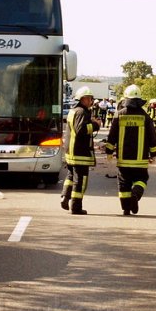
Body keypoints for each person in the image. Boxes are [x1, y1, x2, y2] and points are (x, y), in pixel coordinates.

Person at [105, 84, 156, 216]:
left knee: (124, 183)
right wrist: (153, 154)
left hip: (123, 159)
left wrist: (109, 152)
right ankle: (136, 193)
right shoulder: (145, 116)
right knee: (142, 179)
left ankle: (126, 208)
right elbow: (152, 136)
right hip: (140, 160)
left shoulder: (119, 115)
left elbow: (112, 135)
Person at [61, 86, 102, 215]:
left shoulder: (74, 111)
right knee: (80, 180)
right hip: (80, 153)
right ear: (84, 99)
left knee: (70, 176)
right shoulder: (81, 112)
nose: (91, 101)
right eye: (90, 98)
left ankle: (65, 197)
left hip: (71, 151)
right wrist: (96, 125)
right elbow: (81, 130)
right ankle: (76, 207)